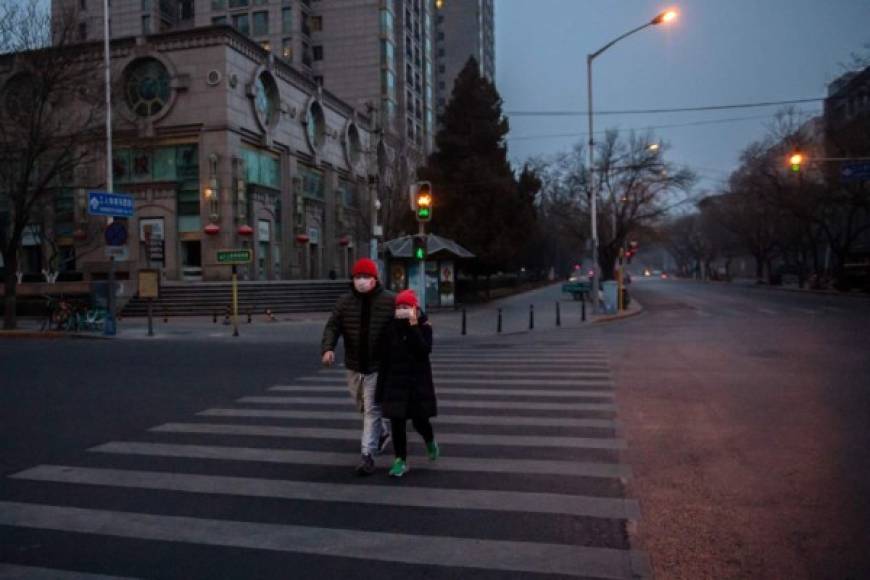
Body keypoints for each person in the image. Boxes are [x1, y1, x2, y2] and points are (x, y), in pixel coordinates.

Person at [321, 258, 396, 475]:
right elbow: (332, 327)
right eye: (358, 277)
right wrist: (328, 348)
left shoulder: (389, 300)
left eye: (366, 277)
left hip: (377, 365)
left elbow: (410, 313)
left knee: (371, 408)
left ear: (375, 279)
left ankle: (367, 455)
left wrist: (418, 320)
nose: (361, 281)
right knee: (362, 406)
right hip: (354, 364)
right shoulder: (344, 303)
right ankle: (382, 432)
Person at [375, 289, 439, 478]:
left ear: (415, 308)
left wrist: (412, 325)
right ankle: (400, 460)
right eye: (399, 307)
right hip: (395, 383)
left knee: (420, 422)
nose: (402, 310)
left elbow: (423, 350)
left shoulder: (424, 326)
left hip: (416, 384)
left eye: (406, 307)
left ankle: (430, 441)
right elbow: (384, 357)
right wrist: (381, 389)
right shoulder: (390, 327)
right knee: (397, 424)